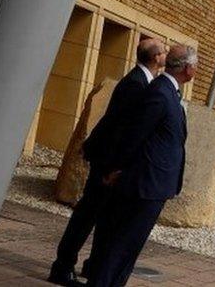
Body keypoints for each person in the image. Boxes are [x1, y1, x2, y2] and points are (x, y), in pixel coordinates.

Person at [48, 38, 167, 286]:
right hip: (106, 162)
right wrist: (113, 168)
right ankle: (62, 267)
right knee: (87, 215)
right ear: (156, 58)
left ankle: (93, 265)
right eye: (164, 51)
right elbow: (118, 130)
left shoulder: (142, 81)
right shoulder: (135, 84)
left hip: (109, 161)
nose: (166, 55)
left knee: (103, 216)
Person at [86, 44, 195, 287]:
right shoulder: (159, 92)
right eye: (194, 66)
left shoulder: (169, 91)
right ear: (188, 69)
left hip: (152, 185)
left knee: (128, 249)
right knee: (121, 247)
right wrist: (116, 169)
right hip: (143, 184)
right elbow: (134, 135)